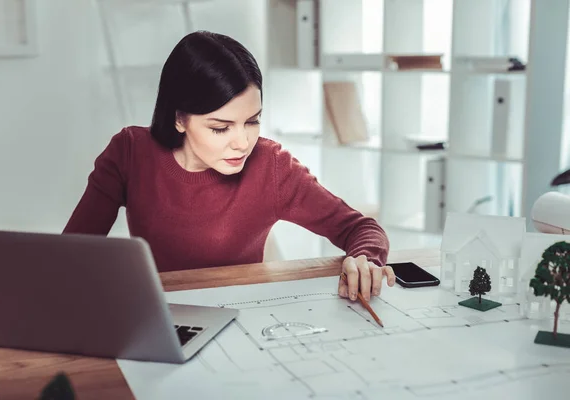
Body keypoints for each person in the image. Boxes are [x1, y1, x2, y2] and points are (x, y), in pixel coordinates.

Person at [63, 31, 394, 302]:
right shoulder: (130, 152)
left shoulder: (271, 166)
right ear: (179, 118)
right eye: (220, 127)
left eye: (252, 121)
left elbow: (360, 228)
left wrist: (365, 259)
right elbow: (70, 253)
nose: (242, 142)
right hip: (160, 315)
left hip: (242, 316)